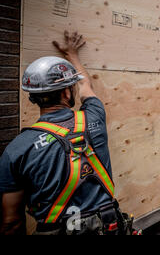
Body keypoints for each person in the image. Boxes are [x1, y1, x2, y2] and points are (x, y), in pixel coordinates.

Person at [0, 31, 135, 235]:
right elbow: (85, 84)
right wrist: (72, 55)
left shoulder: (16, 150)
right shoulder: (93, 118)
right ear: (66, 92)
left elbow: (12, 222)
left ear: (34, 98)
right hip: (108, 227)